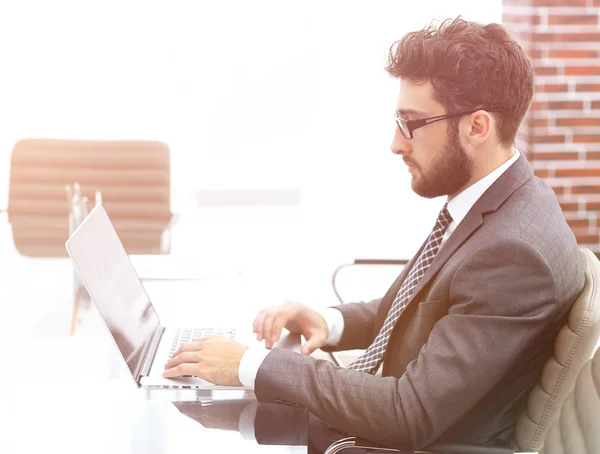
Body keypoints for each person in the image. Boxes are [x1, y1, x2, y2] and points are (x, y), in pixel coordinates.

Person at [162, 17, 586, 450]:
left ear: (477, 127)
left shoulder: (512, 254)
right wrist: (328, 320)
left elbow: (408, 413)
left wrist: (254, 364)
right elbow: (407, 310)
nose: (396, 144)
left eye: (411, 123)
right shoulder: (495, 201)